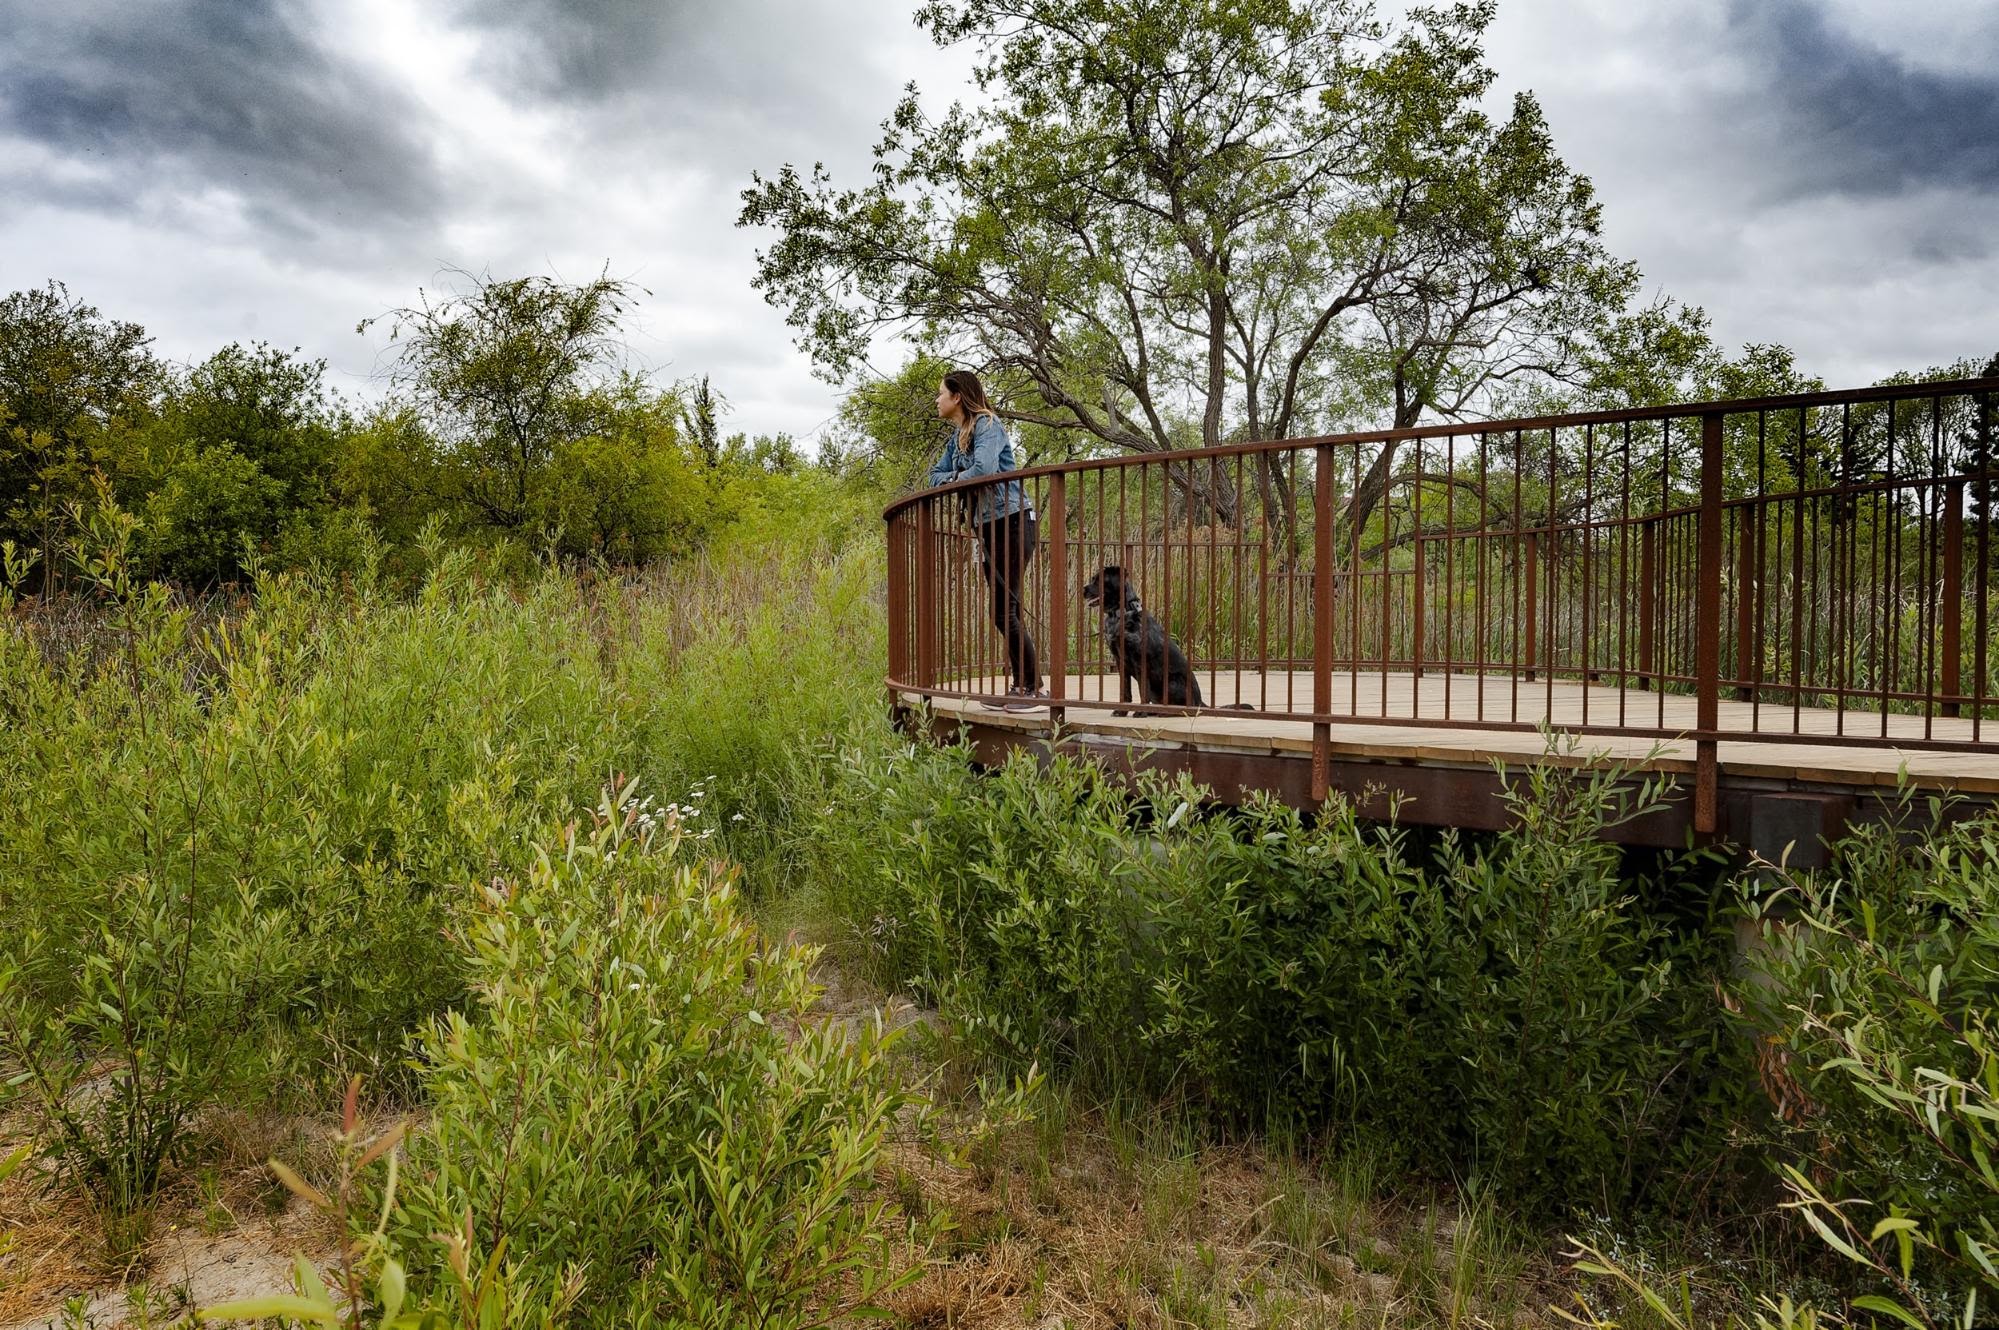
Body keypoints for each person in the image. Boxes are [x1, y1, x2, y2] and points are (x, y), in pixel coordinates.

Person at [926, 369, 1045, 711]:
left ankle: (1032, 688)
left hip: (1013, 521)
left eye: (940, 394)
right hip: (988, 526)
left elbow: (985, 470)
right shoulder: (957, 439)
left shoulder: (987, 425)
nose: (937, 400)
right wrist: (956, 476)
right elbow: (935, 477)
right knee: (1000, 611)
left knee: (1004, 608)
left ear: (957, 396)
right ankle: (1024, 685)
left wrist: (958, 478)